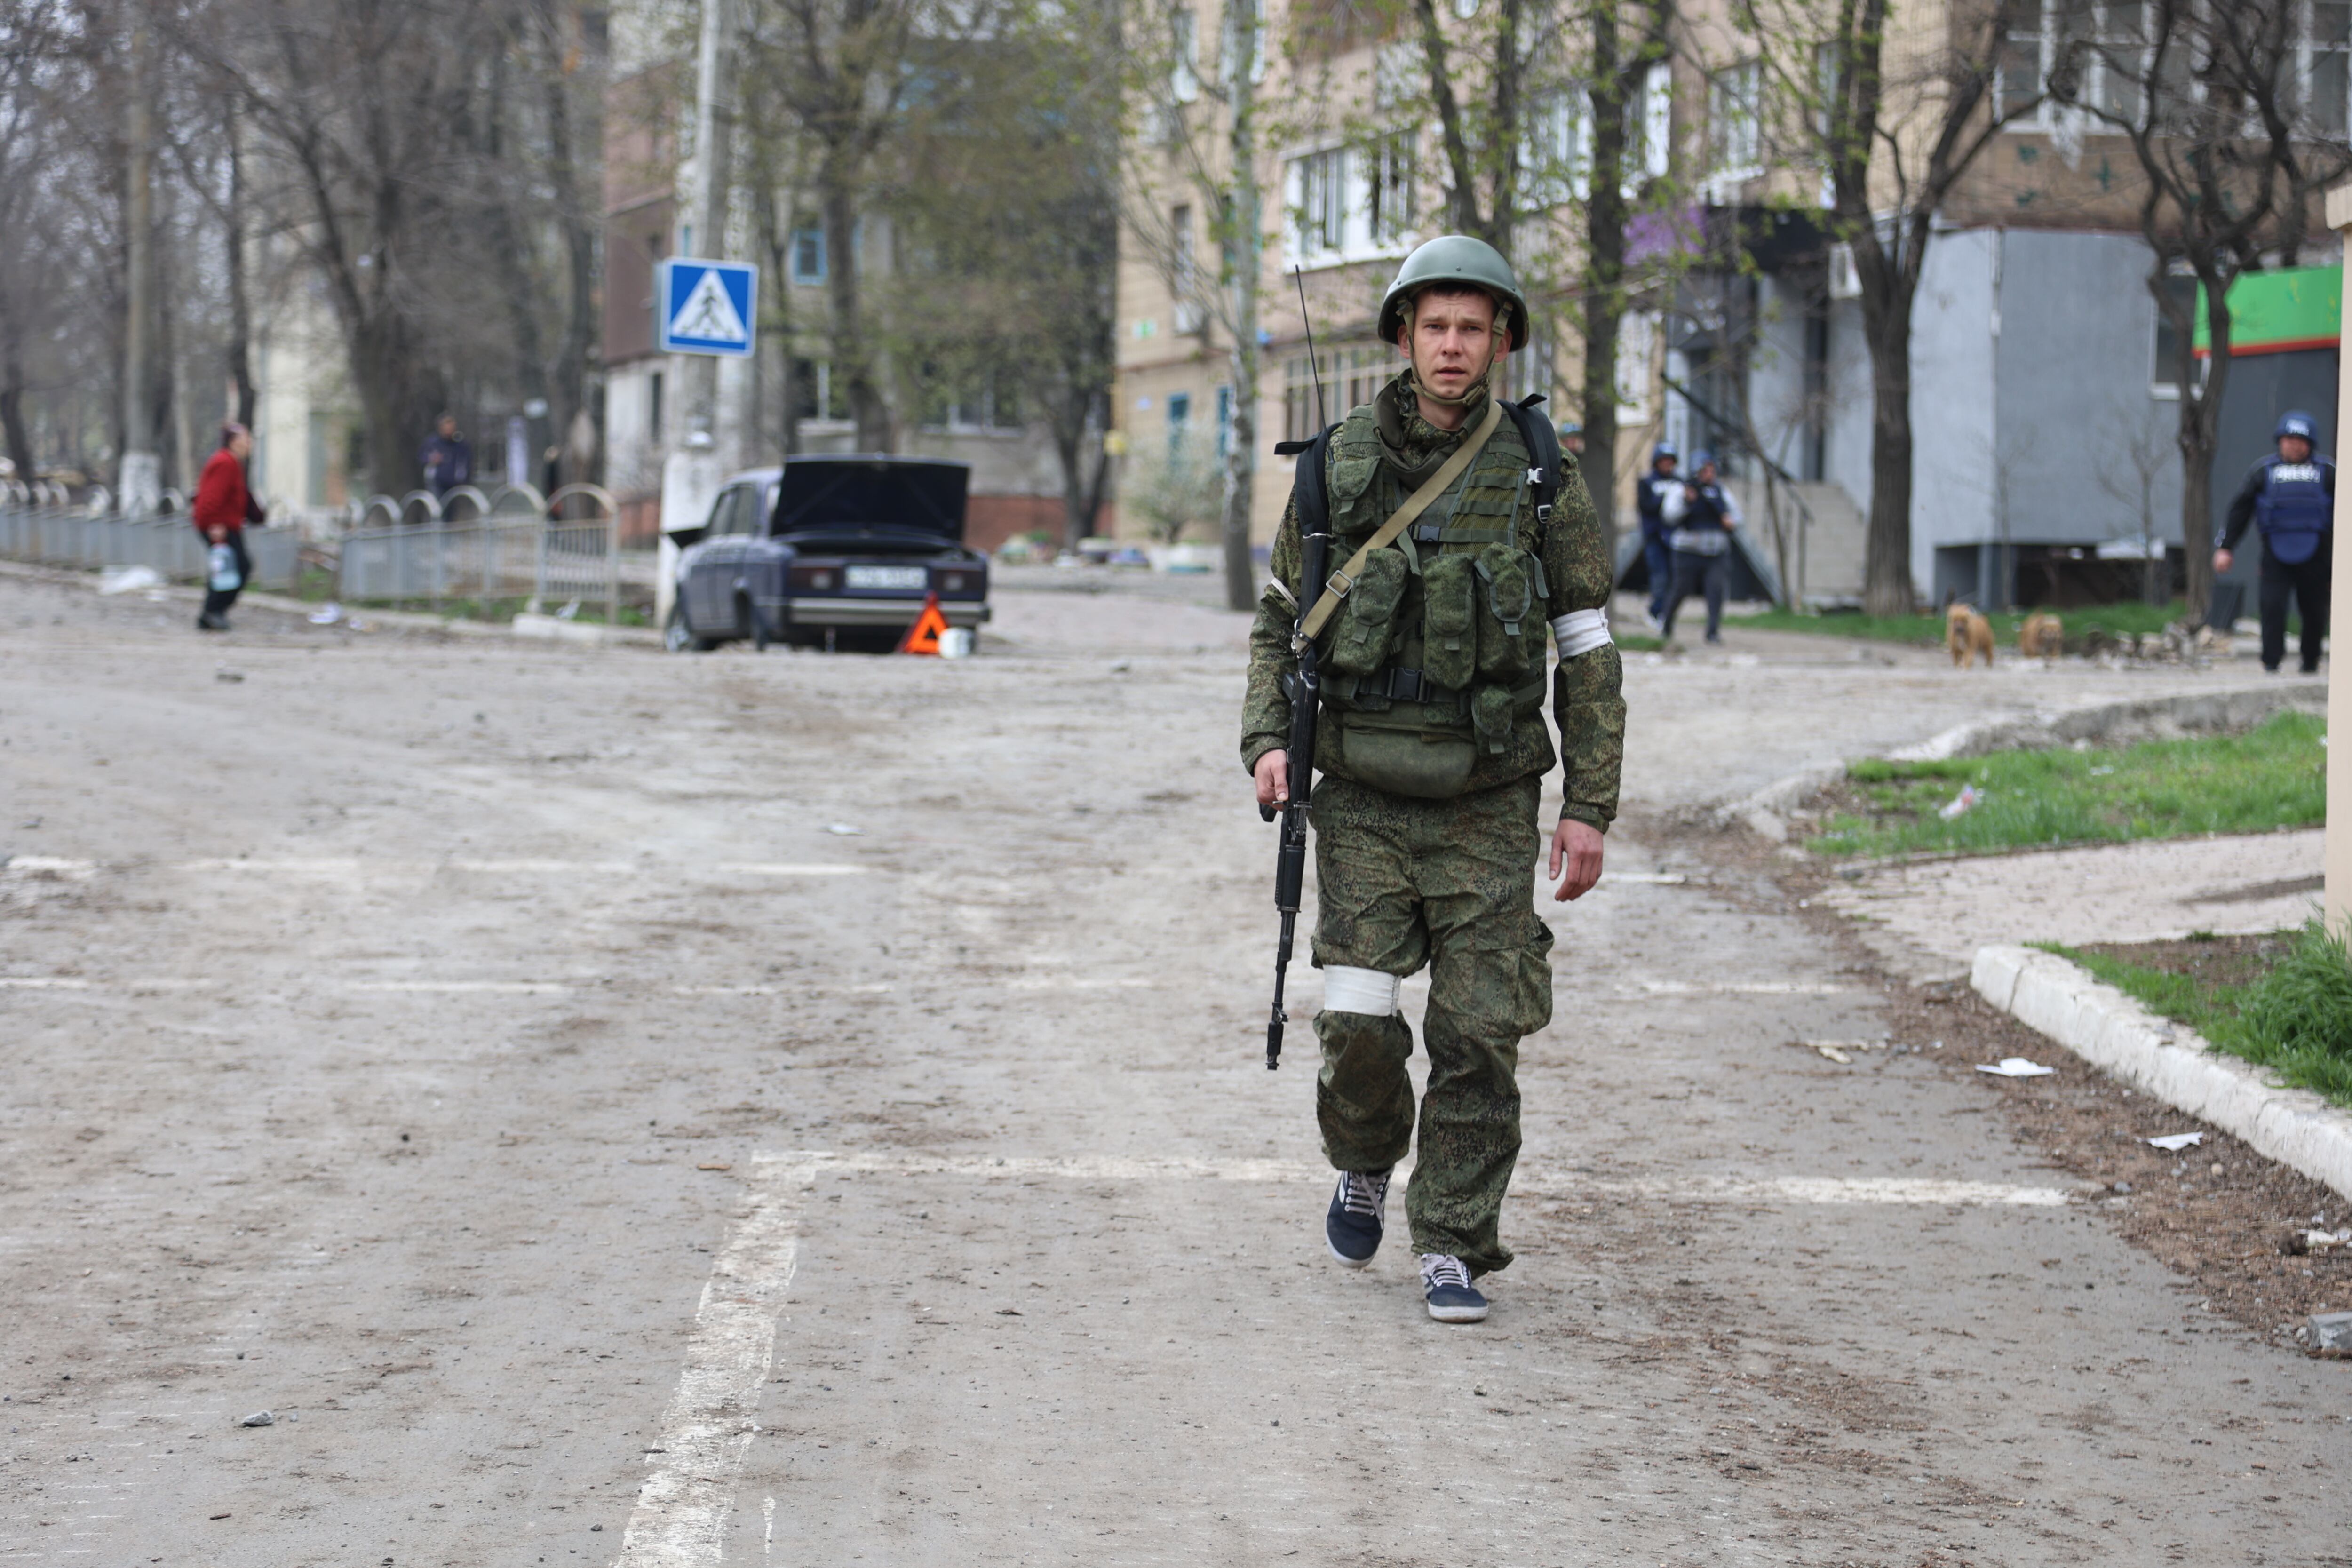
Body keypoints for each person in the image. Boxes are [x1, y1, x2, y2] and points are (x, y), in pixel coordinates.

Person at [1240, 235, 1626, 1325]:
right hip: (1360, 788)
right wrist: (1269, 742)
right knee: (1359, 1020)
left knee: (1476, 1034)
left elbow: (1587, 649)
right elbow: (1279, 626)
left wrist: (1589, 806)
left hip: (1490, 794)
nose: (1453, 347)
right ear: (1403, 335)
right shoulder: (1337, 462)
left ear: (1500, 339)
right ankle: (1366, 1156)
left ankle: (1454, 1240)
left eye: (1473, 327)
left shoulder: (1543, 473)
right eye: (1435, 326)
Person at [2217, 409, 2333, 674]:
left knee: (2314, 612)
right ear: (2280, 440)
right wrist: (2226, 548)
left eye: (2301, 440)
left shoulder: (2328, 472)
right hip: (2275, 555)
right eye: (2289, 438)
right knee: (2272, 607)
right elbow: (2240, 510)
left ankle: (2311, 661)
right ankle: (2271, 662)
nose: (2294, 444)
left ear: (2311, 444)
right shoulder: (2263, 471)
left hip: (2317, 555)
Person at [1659, 449, 1741, 645]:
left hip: (1716, 552)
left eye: (1712, 471)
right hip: (1688, 551)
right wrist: (1688, 502)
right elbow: (1669, 516)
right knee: (1681, 589)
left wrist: (1731, 522)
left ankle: (1712, 632)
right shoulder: (1682, 489)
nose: (1710, 475)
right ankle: (1666, 624)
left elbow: (1736, 517)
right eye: (1705, 471)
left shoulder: (1720, 491)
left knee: (1716, 591)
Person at [191, 423, 266, 632]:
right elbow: (212, 496)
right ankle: (214, 611)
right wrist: (215, 524)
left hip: (227, 525)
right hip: (219, 527)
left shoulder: (232, 462)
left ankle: (211, 613)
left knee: (226, 569)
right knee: (238, 567)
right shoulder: (225, 462)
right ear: (233, 442)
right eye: (245, 439)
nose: (249, 443)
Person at [1635, 442, 1680, 629]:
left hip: (1675, 538)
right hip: (1654, 537)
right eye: (1664, 461)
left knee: (1674, 579)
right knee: (1659, 577)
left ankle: (1665, 616)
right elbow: (1646, 506)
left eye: (1670, 461)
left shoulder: (1680, 482)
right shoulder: (1647, 482)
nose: (1667, 465)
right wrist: (1668, 499)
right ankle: (1655, 612)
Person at [419, 414, 472, 498]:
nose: (449, 431)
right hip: (436, 482)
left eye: (451, 428)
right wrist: (431, 460)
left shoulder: (461, 445)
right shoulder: (432, 443)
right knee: (437, 506)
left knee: (451, 507)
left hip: (455, 483)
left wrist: (463, 478)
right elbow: (422, 457)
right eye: (447, 428)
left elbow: (466, 463)